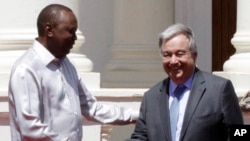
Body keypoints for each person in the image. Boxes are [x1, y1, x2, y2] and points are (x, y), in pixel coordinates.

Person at [8, 4, 138, 141]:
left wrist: (136, 116)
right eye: (70, 31)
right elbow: (31, 129)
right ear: (49, 30)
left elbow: (92, 108)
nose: (75, 38)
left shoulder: (67, 65)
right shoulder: (27, 69)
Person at [126, 23, 243, 141]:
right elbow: (140, 137)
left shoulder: (219, 89)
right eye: (167, 55)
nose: (173, 61)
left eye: (180, 54)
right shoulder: (151, 97)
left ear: (194, 55)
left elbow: (238, 134)